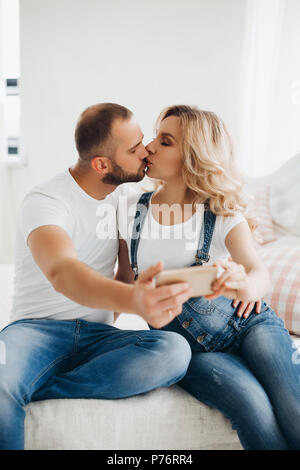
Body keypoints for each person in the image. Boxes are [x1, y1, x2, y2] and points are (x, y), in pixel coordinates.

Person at [0, 103, 193, 450]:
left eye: (143, 141)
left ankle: (40, 387)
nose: (146, 149)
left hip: (96, 338)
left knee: (174, 351)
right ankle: (19, 384)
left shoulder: (126, 200)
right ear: (102, 164)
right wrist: (133, 301)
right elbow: (63, 272)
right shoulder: (45, 201)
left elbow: (125, 274)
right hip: (33, 332)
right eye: (134, 149)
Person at [116, 104, 300, 450]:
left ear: (193, 157)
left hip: (250, 326)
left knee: (294, 409)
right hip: (191, 352)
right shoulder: (131, 210)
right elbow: (122, 282)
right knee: (252, 407)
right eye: (156, 137)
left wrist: (243, 284)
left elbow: (259, 272)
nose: (150, 147)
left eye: (166, 141)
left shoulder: (220, 212)